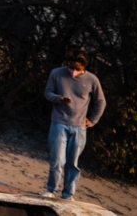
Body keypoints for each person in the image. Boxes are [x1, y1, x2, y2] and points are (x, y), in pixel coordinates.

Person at [42, 51, 106, 201]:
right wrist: (59, 99)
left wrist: (93, 120)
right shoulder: (57, 73)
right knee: (57, 159)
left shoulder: (92, 79)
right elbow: (48, 93)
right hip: (59, 122)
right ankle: (51, 189)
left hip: (79, 127)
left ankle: (68, 194)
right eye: (71, 68)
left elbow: (101, 101)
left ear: (84, 67)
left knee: (73, 163)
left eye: (77, 69)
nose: (73, 72)